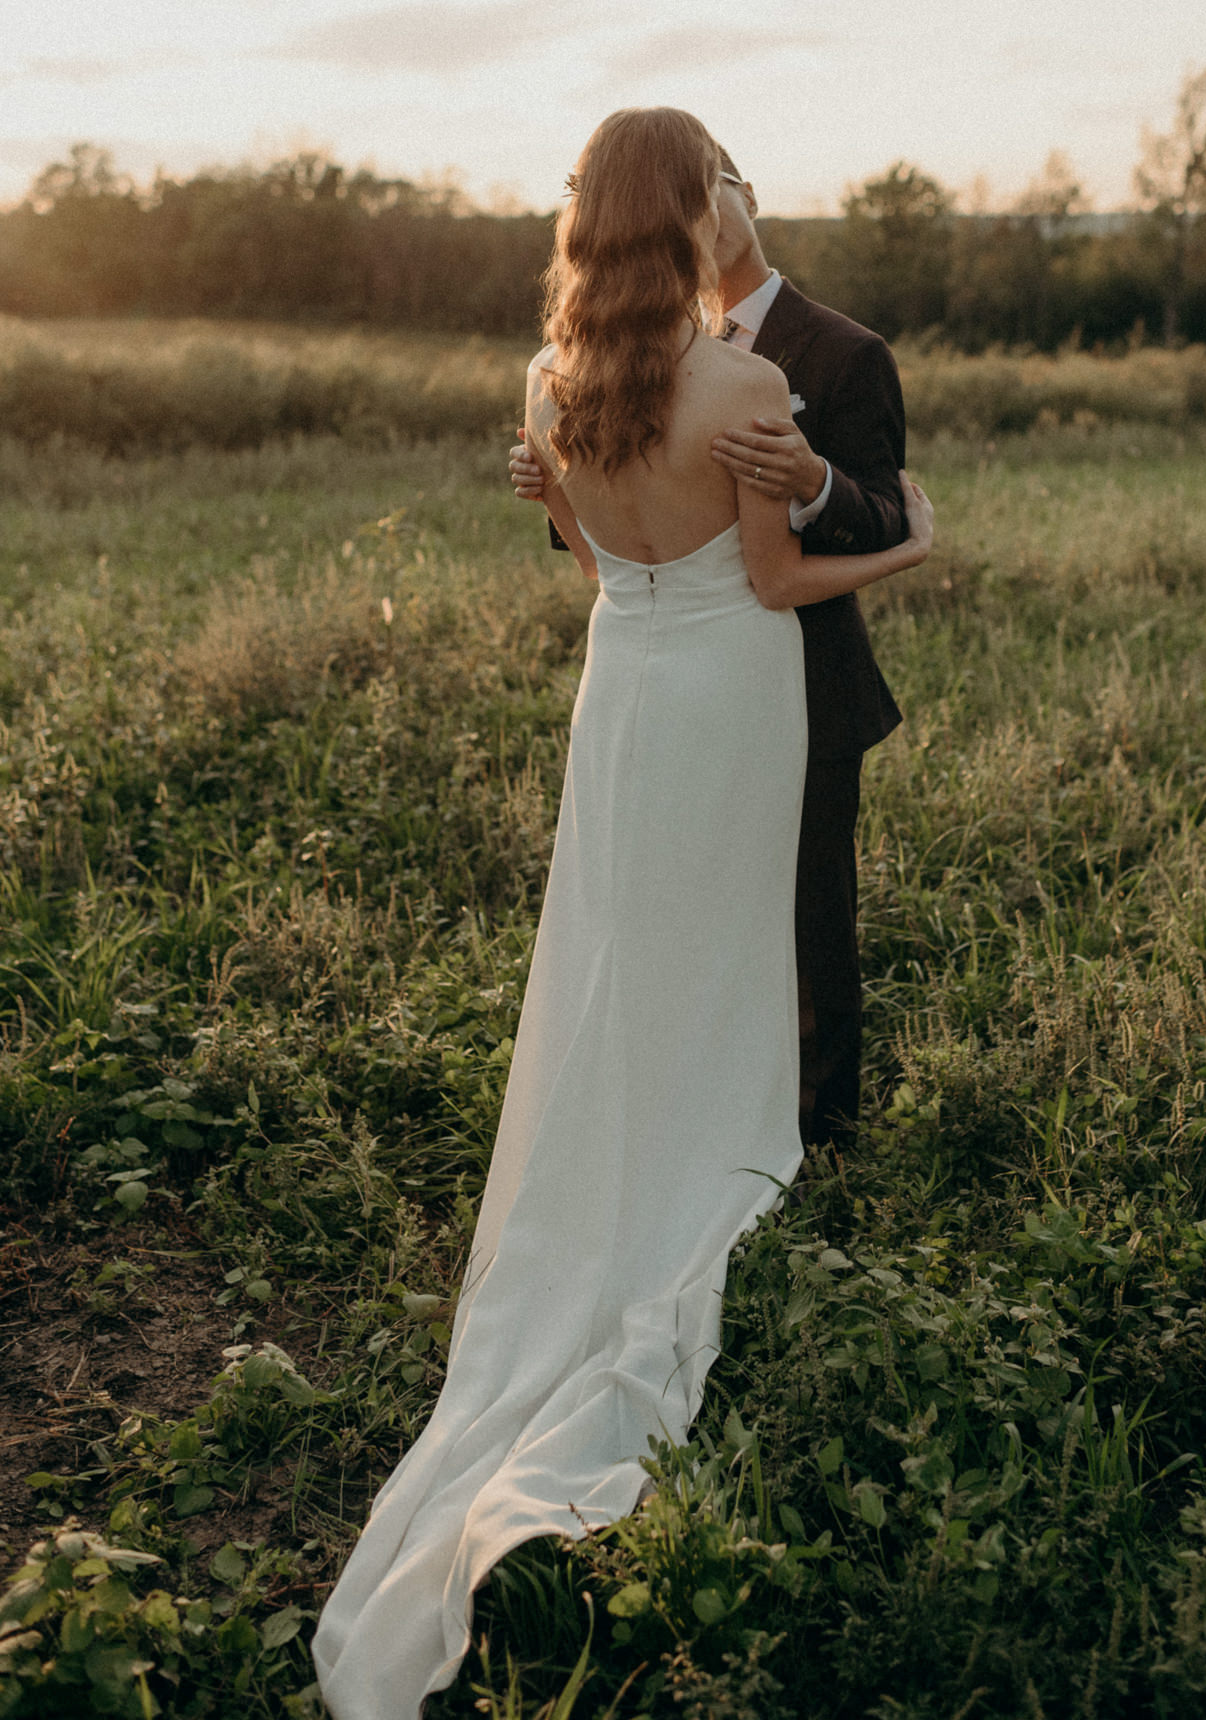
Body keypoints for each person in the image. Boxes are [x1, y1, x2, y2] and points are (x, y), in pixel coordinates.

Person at [313, 109, 933, 1720]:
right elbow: (785, 583)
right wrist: (912, 537)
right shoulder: (741, 385)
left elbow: (601, 570)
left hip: (624, 692)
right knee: (722, 942)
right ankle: (715, 1160)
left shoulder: (545, 385)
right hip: (731, 688)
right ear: (683, 212)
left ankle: (616, 1159)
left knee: (614, 946)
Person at [513, 148, 909, 1149]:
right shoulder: (620, 354)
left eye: (717, 175)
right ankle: (705, 1116)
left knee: (810, 918)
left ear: (745, 193)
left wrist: (814, 478)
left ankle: (824, 1130)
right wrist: (551, 483)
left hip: (799, 679)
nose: (705, 200)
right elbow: (618, 532)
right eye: (689, 184)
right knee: (680, 911)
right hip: (691, 656)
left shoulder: (839, 351)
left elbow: (873, 498)